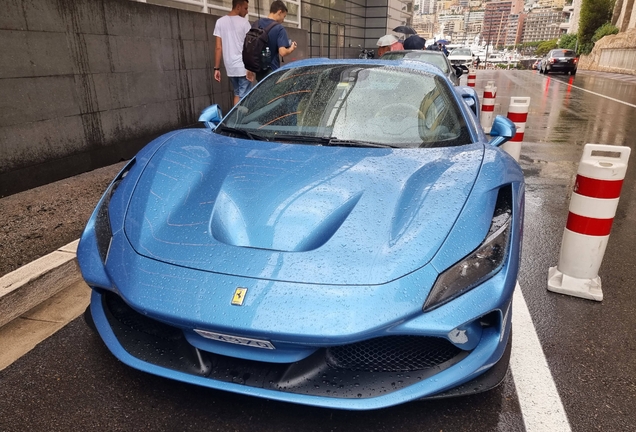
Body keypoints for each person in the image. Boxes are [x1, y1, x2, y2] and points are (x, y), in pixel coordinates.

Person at [213, 0, 252, 106]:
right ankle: (241, 121)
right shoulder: (245, 23)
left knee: (237, 94)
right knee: (245, 97)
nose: (247, 11)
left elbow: (218, 47)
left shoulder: (220, 22)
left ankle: (235, 120)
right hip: (244, 67)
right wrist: (251, 68)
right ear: (238, 7)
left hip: (230, 67)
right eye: (245, 8)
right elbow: (250, 47)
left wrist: (216, 68)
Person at [248, 0, 297, 82]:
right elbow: (282, 52)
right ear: (279, 12)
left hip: (258, 70)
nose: (283, 20)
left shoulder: (256, 24)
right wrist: (291, 48)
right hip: (271, 71)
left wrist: (249, 68)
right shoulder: (279, 29)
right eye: (284, 16)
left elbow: (250, 47)